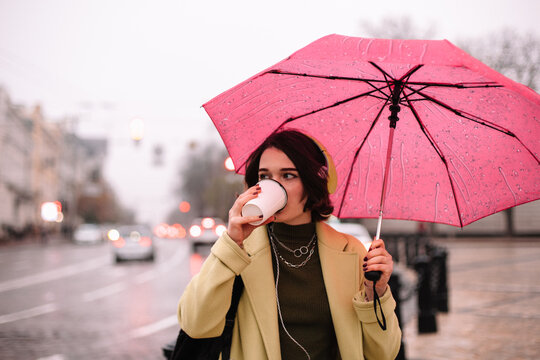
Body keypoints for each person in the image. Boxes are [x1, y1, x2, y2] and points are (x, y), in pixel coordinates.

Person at [178, 130, 401, 360]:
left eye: (288, 175)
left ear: (311, 182)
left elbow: (383, 353)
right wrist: (231, 243)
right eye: (264, 177)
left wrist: (376, 293)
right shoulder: (240, 249)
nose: (273, 186)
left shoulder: (351, 252)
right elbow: (195, 324)